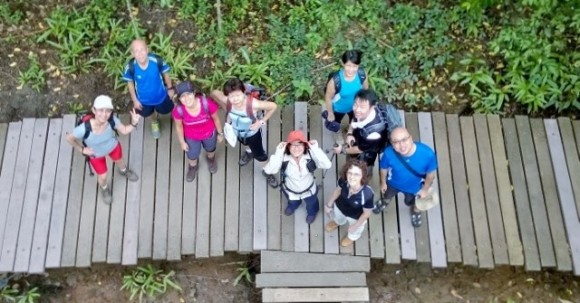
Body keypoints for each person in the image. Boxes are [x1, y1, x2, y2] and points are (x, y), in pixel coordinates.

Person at [66, 95, 140, 204]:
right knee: (103, 175)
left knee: (119, 160)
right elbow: (69, 138)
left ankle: (124, 171)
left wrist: (134, 123)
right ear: (93, 110)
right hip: (96, 154)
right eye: (100, 110)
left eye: (108, 111)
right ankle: (104, 188)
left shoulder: (112, 121)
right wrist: (82, 150)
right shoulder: (84, 128)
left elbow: (124, 130)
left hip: (113, 147)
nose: (104, 114)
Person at [212, 77, 279, 188]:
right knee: (245, 144)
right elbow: (214, 93)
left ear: (243, 92)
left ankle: (268, 172)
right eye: (232, 96)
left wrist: (260, 122)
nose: (235, 99)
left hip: (252, 134)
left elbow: (273, 107)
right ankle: (249, 152)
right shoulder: (227, 101)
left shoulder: (253, 104)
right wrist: (226, 109)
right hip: (237, 133)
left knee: (260, 155)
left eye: (238, 95)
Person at [263, 130, 332, 224]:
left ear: (305, 146)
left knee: (312, 204)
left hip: (309, 190)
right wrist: (278, 153)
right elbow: (269, 170)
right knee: (292, 201)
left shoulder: (311, 155)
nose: (296, 148)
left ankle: (312, 213)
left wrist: (315, 149)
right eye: (293, 145)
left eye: (300, 144)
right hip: (290, 191)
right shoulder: (283, 158)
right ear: (288, 146)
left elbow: (327, 165)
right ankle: (293, 205)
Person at [378, 127, 438, 227]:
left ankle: (415, 211)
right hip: (393, 183)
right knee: (387, 195)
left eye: (404, 140)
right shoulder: (388, 153)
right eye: (396, 142)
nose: (401, 145)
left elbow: (430, 174)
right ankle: (385, 202)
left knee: (412, 201)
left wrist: (425, 189)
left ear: (411, 138)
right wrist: (383, 182)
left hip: (414, 187)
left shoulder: (427, 154)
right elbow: (383, 168)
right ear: (392, 144)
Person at [122, 39, 175, 139]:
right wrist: (135, 100)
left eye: (142, 50)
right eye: (136, 51)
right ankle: (154, 121)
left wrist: (170, 88)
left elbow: (166, 74)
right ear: (132, 53)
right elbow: (130, 84)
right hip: (143, 100)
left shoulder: (156, 60)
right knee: (149, 113)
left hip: (161, 96)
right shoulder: (130, 67)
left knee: (167, 109)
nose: (140, 54)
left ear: (147, 50)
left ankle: (178, 118)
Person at [173, 81, 224, 182]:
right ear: (179, 99)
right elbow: (179, 127)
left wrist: (220, 133)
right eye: (182, 96)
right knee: (192, 155)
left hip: (209, 133)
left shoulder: (206, 103)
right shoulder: (178, 111)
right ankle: (193, 167)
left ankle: (211, 160)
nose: (186, 98)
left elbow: (216, 119)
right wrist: (182, 142)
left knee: (211, 149)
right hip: (191, 137)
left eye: (188, 94)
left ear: (194, 93)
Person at [333, 89, 391, 176]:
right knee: (350, 161)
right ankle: (348, 171)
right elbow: (354, 119)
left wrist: (342, 150)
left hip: (366, 156)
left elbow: (360, 149)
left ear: (372, 107)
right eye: (355, 104)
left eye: (362, 107)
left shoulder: (374, 132)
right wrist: (349, 133)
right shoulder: (359, 112)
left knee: (363, 171)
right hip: (358, 140)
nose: (357, 109)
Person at [324, 159, 374, 247]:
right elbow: (338, 190)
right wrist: (329, 204)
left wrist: (356, 225)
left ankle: (352, 237)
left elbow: (366, 214)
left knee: (355, 230)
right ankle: (338, 222)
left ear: (363, 176)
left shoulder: (367, 194)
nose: (352, 177)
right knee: (338, 217)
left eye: (356, 174)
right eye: (350, 173)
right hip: (340, 207)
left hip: (355, 217)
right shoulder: (344, 180)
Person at [323, 49, 369, 128]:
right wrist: (330, 113)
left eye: (355, 66)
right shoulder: (335, 81)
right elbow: (328, 97)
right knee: (335, 124)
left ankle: (349, 130)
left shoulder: (362, 75)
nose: (351, 70)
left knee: (354, 123)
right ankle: (337, 132)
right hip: (338, 109)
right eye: (348, 65)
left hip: (355, 107)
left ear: (358, 65)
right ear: (343, 64)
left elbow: (365, 90)